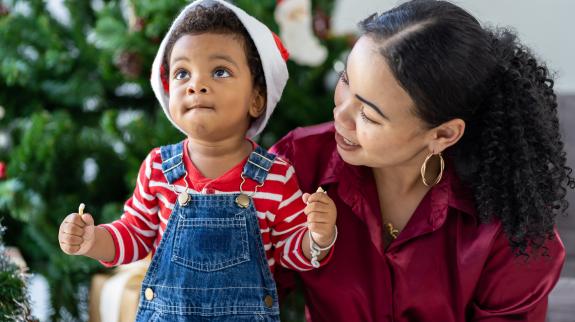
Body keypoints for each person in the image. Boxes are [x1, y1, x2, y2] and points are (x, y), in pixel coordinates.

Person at [270, 0, 574, 321]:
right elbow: (244, 289)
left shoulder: (510, 225)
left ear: (443, 134)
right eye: (346, 81)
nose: (340, 116)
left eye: (370, 116)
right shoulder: (296, 162)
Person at [57, 0, 337, 320]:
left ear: (257, 99)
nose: (196, 85)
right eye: (182, 73)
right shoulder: (158, 168)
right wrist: (92, 240)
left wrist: (318, 236)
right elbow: (133, 235)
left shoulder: (275, 176)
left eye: (220, 71)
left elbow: (292, 253)